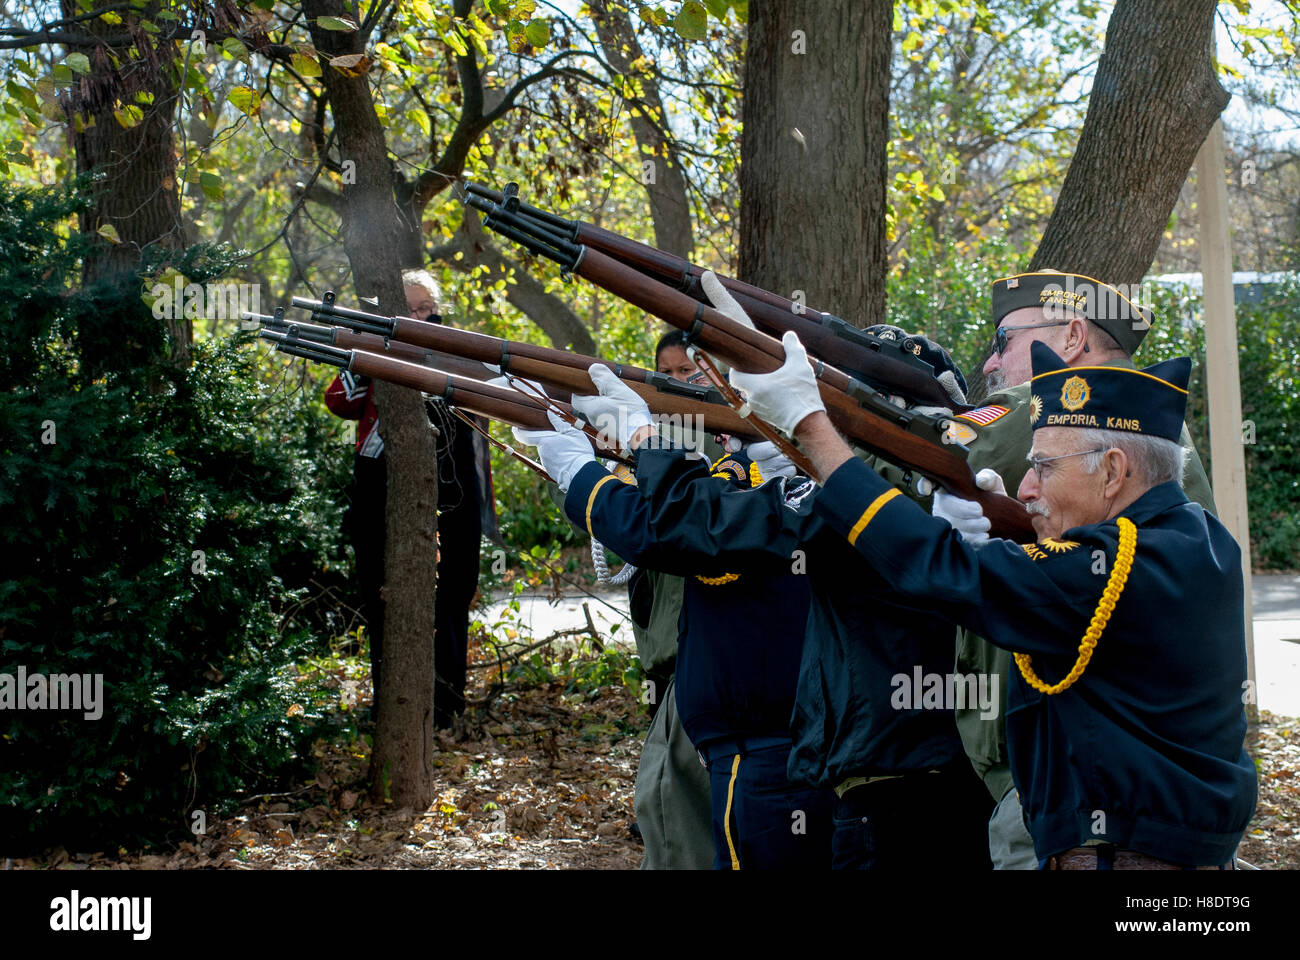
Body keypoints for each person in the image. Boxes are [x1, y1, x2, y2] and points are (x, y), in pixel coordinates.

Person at [730, 331, 1257, 868]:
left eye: (1046, 466)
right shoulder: (1192, 537)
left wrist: (811, 429)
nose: (1026, 488)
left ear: (1114, 471)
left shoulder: (1115, 563)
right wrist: (1001, 546)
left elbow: (938, 570)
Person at [551, 275, 993, 870]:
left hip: (866, 774)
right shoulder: (888, 487)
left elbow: (695, 529)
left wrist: (630, 445)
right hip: (877, 770)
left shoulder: (879, 491)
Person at [933, 271, 1216, 868]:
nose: (989, 363)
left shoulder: (1084, 408)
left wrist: (823, 427)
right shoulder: (1139, 418)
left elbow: (949, 455)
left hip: (1083, 790)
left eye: (1003, 340)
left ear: (1073, 336)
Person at [518, 380, 831, 869]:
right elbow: (685, 519)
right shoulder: (786, 486)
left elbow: (686, 530)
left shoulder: (816, 497)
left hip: (772, 756)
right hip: (768, 749)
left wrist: (601, 459)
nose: (729, 436)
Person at [325, 269, 492, 729]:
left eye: (424, 308)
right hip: (379, 482)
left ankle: (444, 705)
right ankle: (392, 706)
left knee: (452, 593)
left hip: (453, 486)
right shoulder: (374, 344)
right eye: (408, 308)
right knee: (382, 595)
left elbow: (491, 399)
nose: (418, 316)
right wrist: (365, 353)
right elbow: (339, 400)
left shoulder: (457, 348)